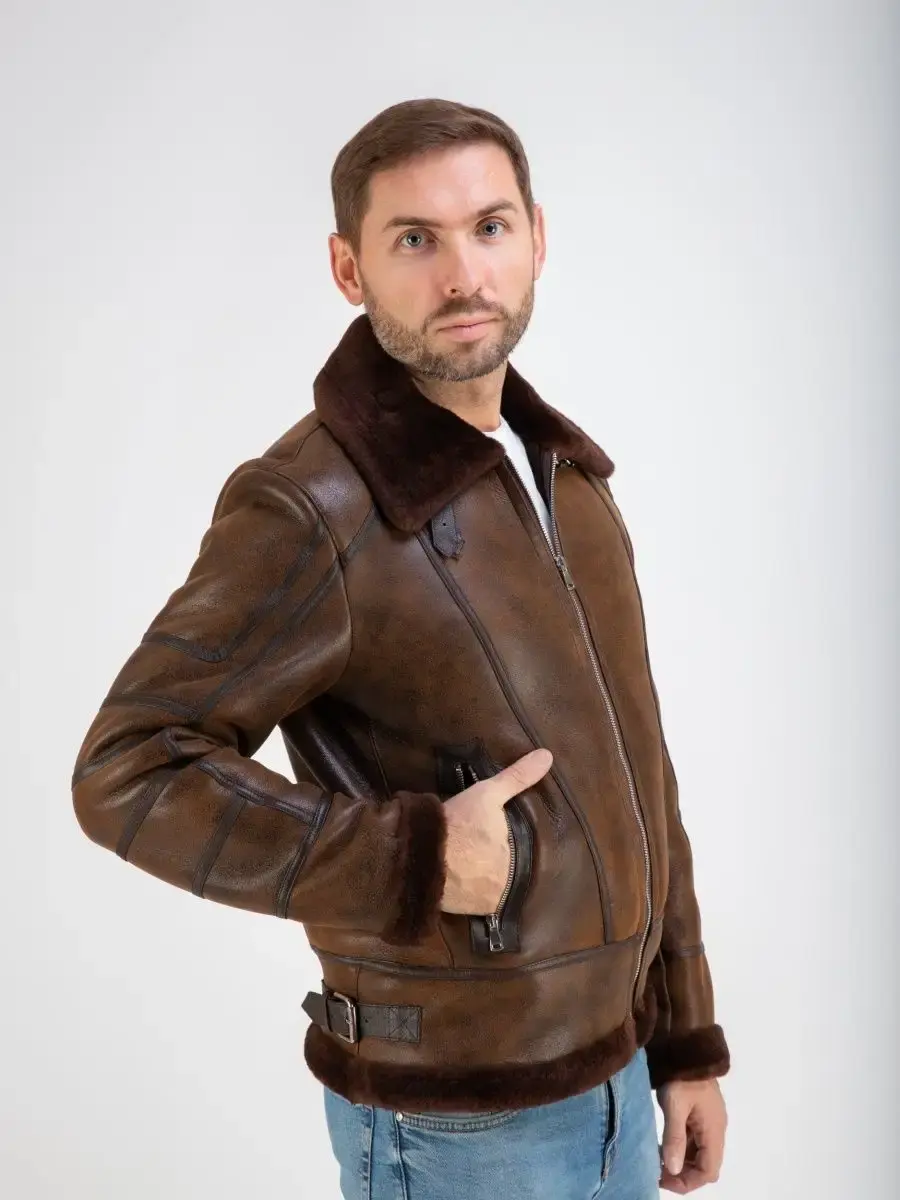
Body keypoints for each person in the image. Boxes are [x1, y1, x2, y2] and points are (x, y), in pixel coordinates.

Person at [71, 97, 730, 1197]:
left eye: (489, 227)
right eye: (414, 239)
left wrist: (685, 1041)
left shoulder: (565, 477)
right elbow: (125, 768)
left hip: (616, 1084)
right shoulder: (313, 503)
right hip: (457, 1126)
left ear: (537, 238)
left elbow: (639, 770)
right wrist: (410, 857)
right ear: (350, 268)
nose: (463, 275)